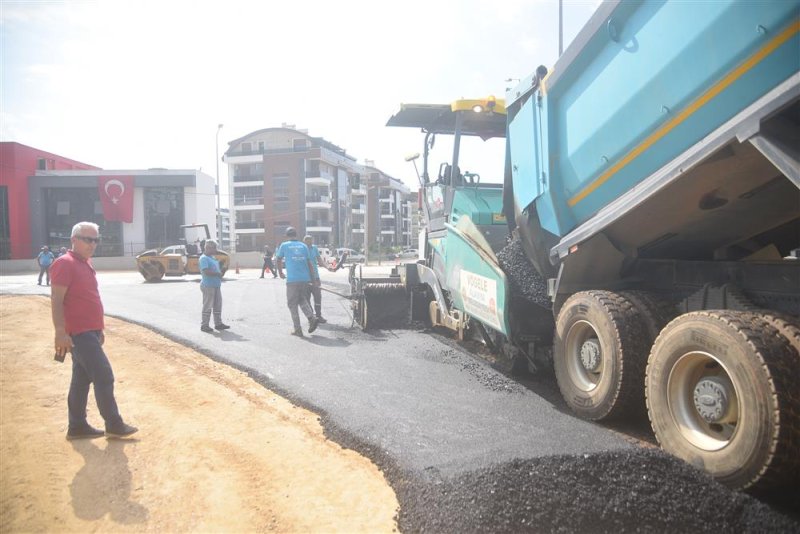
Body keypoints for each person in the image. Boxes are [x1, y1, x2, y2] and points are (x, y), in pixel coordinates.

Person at [50, 221, 138, 440]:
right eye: (87, 239)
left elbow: (88, 300)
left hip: (89, 332)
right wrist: (60, 332)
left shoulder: (85, 263)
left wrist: (99, 329)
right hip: (78, 333)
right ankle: (114, 424)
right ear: (74, 240)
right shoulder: (65, 263)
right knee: (103, 375)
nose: (93, 244)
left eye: (96, 240)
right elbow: (56, 300)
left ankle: (77, 426)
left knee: (81, 380)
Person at [275, 227, 318, 337]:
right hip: (305, 279)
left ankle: (297, 329)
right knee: (301, 299)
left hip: (293, 280)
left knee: (292, 304)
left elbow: (278, 259)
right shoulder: (303, 246)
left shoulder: (284, 245)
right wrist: (313, 279)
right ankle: (312, 318)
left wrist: (280, 272)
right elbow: (309, 263)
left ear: (287, 236)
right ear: (296, 235)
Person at [199, 240, 230, 333]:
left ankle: (218, 324)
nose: (216, 250)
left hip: (215, 285)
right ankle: (204, 325)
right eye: (214, 248)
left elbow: (215, 269)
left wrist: (221, 270)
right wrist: (217, 273)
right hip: (208, 285)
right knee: (207, 305)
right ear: (208, 248)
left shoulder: (211, 257)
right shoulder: (204, 258)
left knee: (217, 305)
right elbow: (206, 271)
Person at [303, 235, 330, 323]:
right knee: (307, 298)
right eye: (308, 242)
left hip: (316, 277)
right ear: (304, 242)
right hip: (305, 278)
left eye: (311, 241)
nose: (310, 243)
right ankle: (311, 317)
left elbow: (319, 260)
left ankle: (318, 316)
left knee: (318, 297)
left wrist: (327, 267)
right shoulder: (302, 249)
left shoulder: (314, 248)